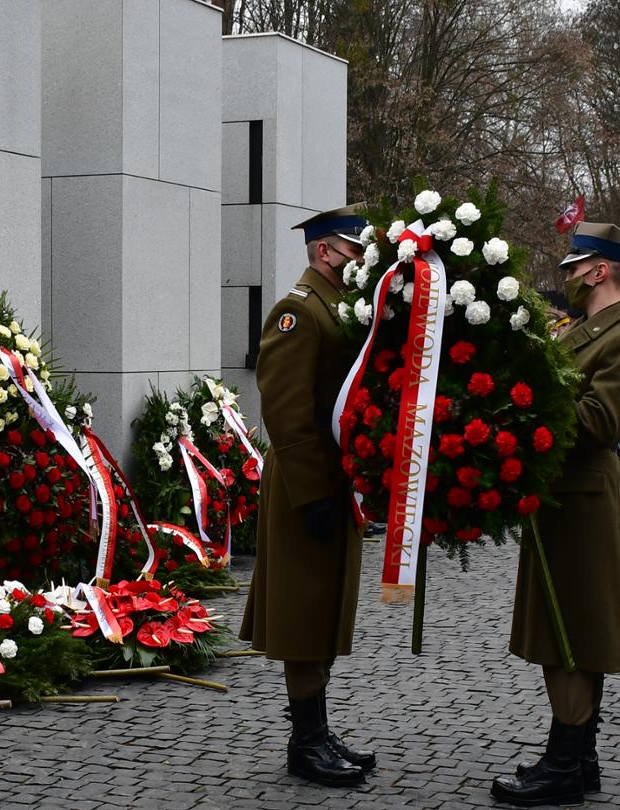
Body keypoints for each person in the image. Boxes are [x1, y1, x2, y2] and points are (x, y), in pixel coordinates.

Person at [497, 221, 620, 808]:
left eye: (572, 267)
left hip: (583, 504)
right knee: (564, 628)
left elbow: (596, 422)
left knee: (572, 633)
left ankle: (565, 764)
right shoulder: (584, 331)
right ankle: (579, 756)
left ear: (598, 270)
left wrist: (531, 391)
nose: (564, 276)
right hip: (561, 500)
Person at [242, 204, 373, 787]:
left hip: (332, 477)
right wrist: (313, 492)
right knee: (303, 610)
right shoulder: (298, 311)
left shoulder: (337, 306)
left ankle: (317, 730)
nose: (360, 262)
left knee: (324, 605)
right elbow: (285, 409)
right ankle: (306, 741)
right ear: (325, 251)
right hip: (306, 480)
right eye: (354, 251)